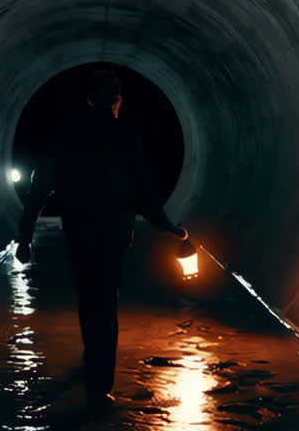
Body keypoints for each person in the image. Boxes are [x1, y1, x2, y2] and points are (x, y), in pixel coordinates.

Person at [15, 69, 188, 413]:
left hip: (78, 231)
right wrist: (169, 227)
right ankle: (100, 384)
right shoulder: (126, 136)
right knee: (106, 303)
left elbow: (40, 188)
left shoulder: (67, 136)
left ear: (91, 99)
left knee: (87, 297)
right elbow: (143, 191)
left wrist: (24, 236)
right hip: (115, 233)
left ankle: (92, 359)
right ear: (118, 101)